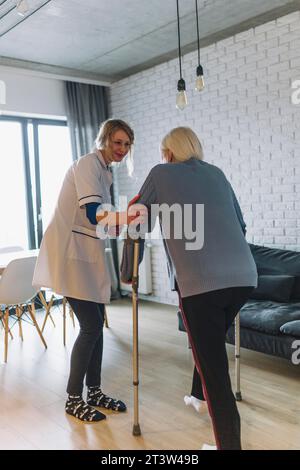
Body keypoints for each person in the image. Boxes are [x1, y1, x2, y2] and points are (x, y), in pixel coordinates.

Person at [121, 126, 257, 449]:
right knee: (208, 345)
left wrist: (128, 272)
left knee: (215, 373)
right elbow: (241, 224)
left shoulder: (160, 173)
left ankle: (227, 444)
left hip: (201, 287)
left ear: (167, 153)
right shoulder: (218, 174)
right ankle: (198, 395)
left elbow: (137, 222)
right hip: (245, 279)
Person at [33, 118, 146, 423]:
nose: (122, 149)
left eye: (126, 144)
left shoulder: (104, 171)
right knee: (92, 327)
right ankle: (73, 399)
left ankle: (94, 392)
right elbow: (94, 213)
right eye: (117, 142)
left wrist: (121, 221)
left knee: (96, 325)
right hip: (69, 255)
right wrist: (123, 217)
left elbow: (101, 223)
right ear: (104, 140)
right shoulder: (87, 165)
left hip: (86, 253)